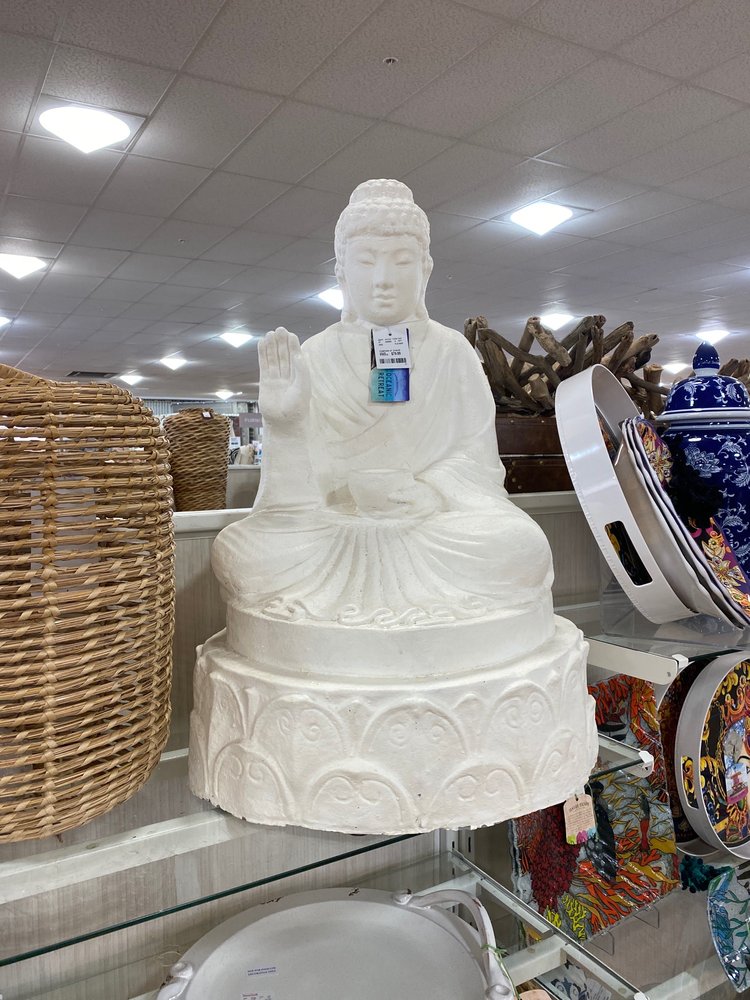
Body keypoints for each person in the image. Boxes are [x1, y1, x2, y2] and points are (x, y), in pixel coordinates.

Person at [212, 179, 553, 633]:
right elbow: (292, 503)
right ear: (341, 273)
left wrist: (431, 492)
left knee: (521, 546)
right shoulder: (315, 356)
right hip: (334, 530)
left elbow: (477, 461)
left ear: (425, 270)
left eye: (401, 261)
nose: (383, 279)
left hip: (431, 528)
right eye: (366, 261)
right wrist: (286, 426)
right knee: (241, 553)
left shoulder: (453, 352)